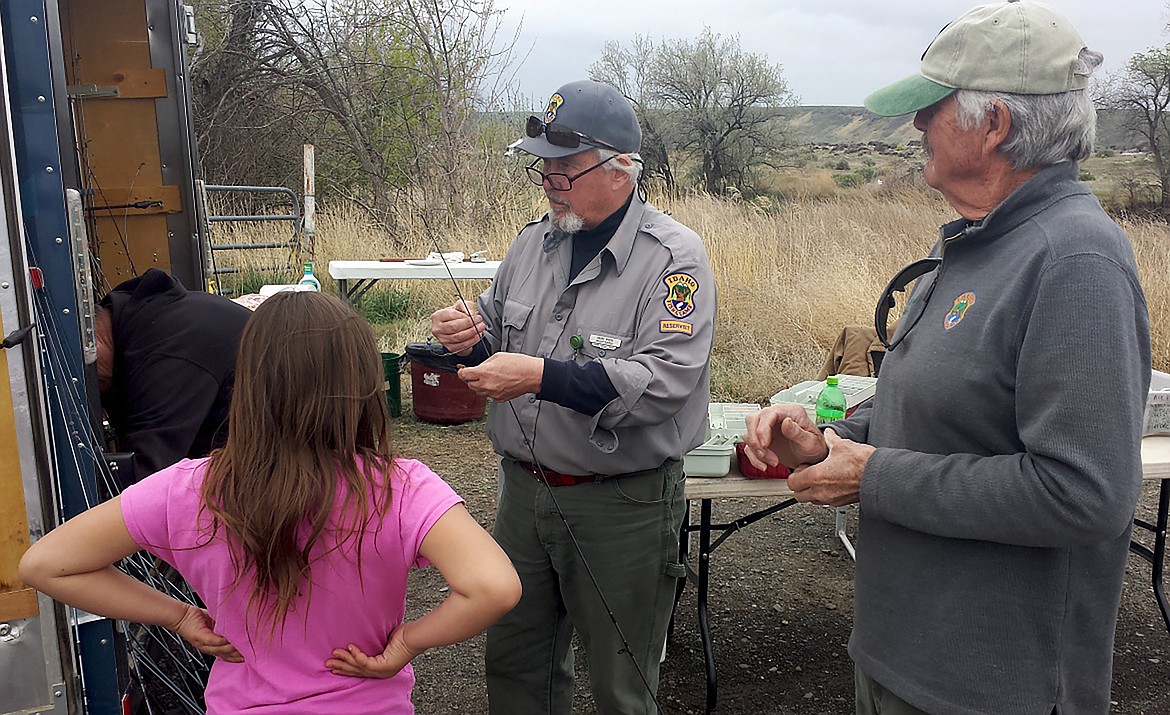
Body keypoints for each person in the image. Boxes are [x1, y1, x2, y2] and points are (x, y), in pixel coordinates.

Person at [744, 3, 1151, 714]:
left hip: (990, 685)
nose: (916, 125)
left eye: (931, 108)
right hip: (899, 656)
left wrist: (874, 475)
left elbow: (1084, 493)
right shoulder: (967, 242)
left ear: (994, 125)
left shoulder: (1076, 258)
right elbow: (929, 406)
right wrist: (833, 439)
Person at [21, 291, 522, 714]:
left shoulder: (186, 489)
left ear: (249, 382)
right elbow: (494, 588)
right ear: (364, 383)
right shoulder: (401, 486)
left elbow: (47, 565)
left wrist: (177, 616)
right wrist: (408, 643)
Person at [430, 79, 716, 713]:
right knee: (515, 663)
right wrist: (464, 338)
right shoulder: (532, 243)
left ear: (621, 170)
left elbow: (664, 383)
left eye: (565, 168)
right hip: (523, 495)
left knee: (620, 681)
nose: (549, 181)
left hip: (622, 504)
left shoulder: (673, 261)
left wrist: (539, 376)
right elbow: (495, 337)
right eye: (543, 168)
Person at [97, 268, 252, 484]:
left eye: (97, 383)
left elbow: (148, 478)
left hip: (284, 461)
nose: (100, 389)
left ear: (93, 344)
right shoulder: (151, 320)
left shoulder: (165, 352)